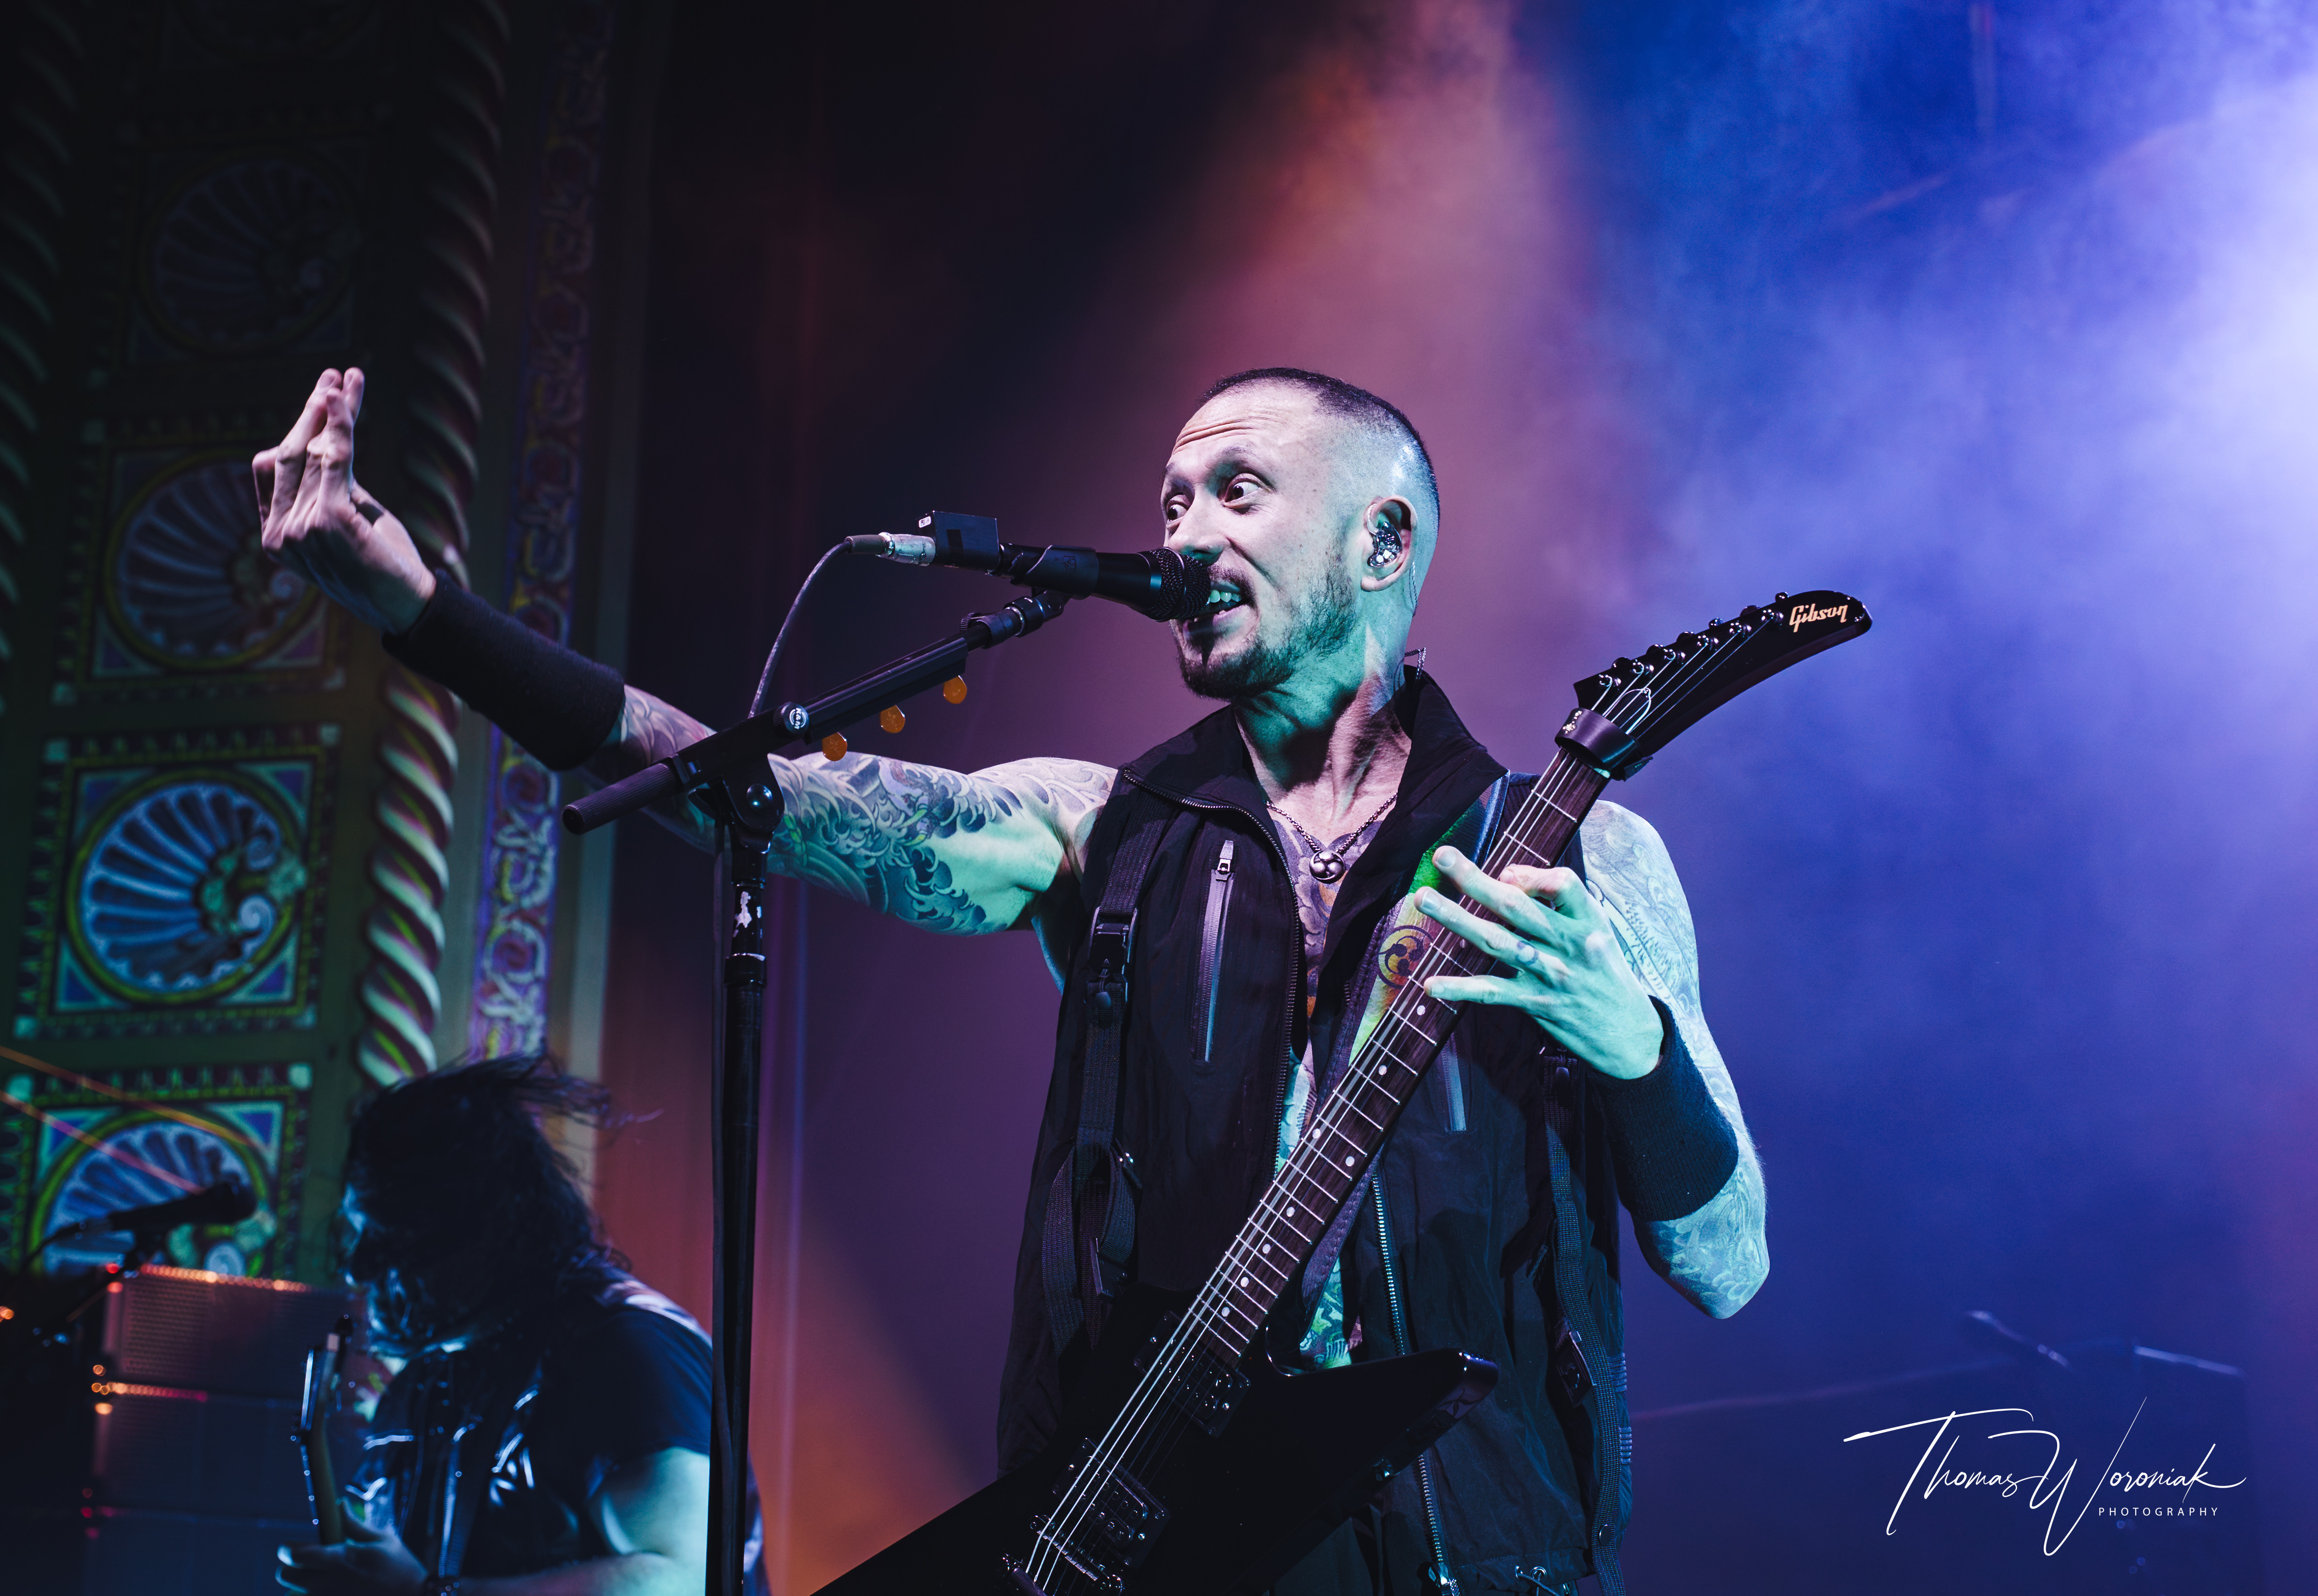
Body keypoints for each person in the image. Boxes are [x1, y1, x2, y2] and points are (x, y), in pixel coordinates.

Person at [258, 365, 1766, 1596]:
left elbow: (1725, 1262)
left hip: (1481, 1555)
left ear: (1381, 543)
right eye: (1170, 496)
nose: (1184, 529)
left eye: (1237, 490)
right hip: (1166, 1546)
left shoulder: (1577, 853)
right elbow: (746, 790)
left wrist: (1634, 1052)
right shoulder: (1098, 828)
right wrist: (427, 616)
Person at [275, 1058, 762, 1596]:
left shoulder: (624, 1347)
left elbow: (688, 1579)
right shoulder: (426, 1380)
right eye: (358, 1229)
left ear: (478, 1227)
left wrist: (425, 1595)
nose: (358, 1265)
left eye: (389, 1233)